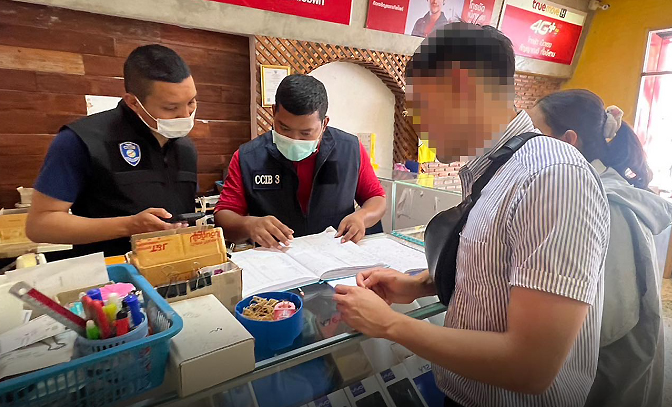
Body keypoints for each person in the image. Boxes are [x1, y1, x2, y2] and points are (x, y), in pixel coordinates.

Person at [333, 23, 610, 407]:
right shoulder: (500, 167)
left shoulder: (553, 176)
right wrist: (419, 284)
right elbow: (501, 267)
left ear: (461, 87)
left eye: (422, 107)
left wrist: (391, 325)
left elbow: (531, 366)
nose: (419, 126)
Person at [527, 89, 672, 407]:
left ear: (568, 140)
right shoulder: (587, 189)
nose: (524, 146)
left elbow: (610, 320)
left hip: (610, 375)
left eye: (534, 134)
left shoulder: (602, 202)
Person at [26, 45, 199, 257]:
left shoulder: (185, 146)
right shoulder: (82, 140)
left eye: (191, 102)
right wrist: (129, 226)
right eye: (171, 108)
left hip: (177, 272)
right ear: (134, 102)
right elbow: (40, 225)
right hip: (110, 282)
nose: (185, 116)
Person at [214, 74, 386, 248]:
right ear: (273, 112)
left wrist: (362, 217)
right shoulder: (248, 157)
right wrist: (249, 225)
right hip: (278, 261)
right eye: (284, 128)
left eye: (306, 133)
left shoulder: (349, 149)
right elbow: (224, 215)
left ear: (324, 124)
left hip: (336, 256)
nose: (293, 139)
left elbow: (376, 198)